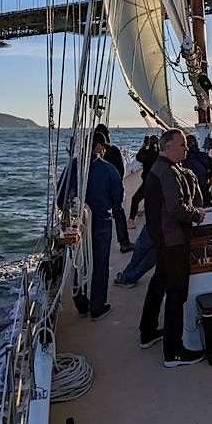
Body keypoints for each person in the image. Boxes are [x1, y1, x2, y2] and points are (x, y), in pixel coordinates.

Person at [138, 128, 207, 367]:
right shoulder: (167, 172)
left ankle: (146, 333)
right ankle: (173, 351)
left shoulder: (161, 169)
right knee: (177, 294)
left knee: (159, 283)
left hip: (163, 240)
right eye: (182, 145)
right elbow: (177, 209)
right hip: (174, 241)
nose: (186, 149)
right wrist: (197, 213)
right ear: (167, 147)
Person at [83, 132, 123, 320]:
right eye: (103, 146)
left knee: (80, 261)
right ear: (98, 147)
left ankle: (81, 304)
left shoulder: (72, 167)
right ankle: (97, 307)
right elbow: (118, 197)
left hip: (79, 224)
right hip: (101, 222)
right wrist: (114, 211)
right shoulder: (109, 169)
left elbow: (61, 198)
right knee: (100, 263)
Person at [94, 123, 133, 252]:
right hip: (113, 189)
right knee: (119, 213)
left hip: (98, 191)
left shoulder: (89, 154)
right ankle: (124, 243)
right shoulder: (114, 150)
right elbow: (121, 171)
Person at [127, 135, 159, 226]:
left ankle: (131, 220)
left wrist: (144, 146)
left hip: (148, 183)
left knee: (135, 199)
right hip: (158, 182)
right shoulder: (159, 154)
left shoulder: (146, 153)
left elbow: (138, 157)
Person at [183, 134, 212, 206]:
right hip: (203, 189)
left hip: (187, 192)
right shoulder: (202, 156)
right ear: (196, 144)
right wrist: (207, 176)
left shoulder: (181, 159)